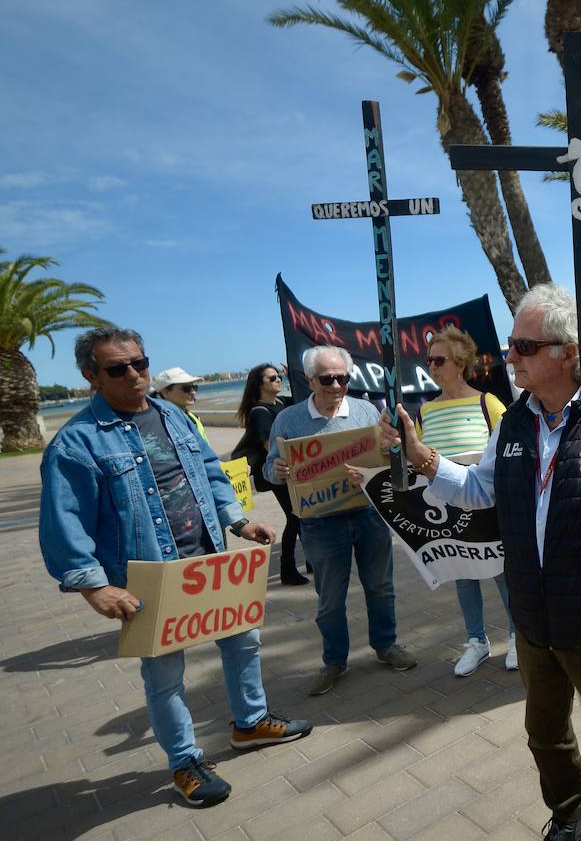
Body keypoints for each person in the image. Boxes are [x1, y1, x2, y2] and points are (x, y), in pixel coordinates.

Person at [382, 284, 581, 841]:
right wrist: (423, 457)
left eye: (524, 346)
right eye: (511, 345)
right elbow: (479, 491)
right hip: (534, 618)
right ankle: (569, 821)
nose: (508, 356)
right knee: (544, 734)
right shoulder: (513, 420)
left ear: (567, 352)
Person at [40, 328, 312, 807]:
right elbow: (65, 523)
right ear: (91, 376)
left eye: (140, 363)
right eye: (117, 368)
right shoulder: (76, 443)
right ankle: (184, 762)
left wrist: (238, 521)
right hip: (151, 574)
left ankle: (250, 724)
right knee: (164, 674)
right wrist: (94, 588)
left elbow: (209, 471)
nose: (134, 374)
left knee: (243, 642)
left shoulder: (173, 414)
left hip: (208, 560)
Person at [264, 345, 416, 696]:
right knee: (330, 597)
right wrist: (278, 469)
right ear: (309, 380)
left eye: (342, 378)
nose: (336, 386)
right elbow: (268, 469)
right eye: (327, 379)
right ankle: (334, 660)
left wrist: (388, 451)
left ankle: (386, 645)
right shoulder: (288, 420)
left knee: (380, 586)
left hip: (369, 514)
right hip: (320, 522)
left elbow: (390, 458)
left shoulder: (366, 411)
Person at [419, 325, 515, 675]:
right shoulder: (425, 412)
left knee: (502, 572)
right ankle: (476, 641)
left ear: (460, 364)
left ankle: (517, 636)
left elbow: (509, 452)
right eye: (429, 361)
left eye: (439, 360)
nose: (432, 367)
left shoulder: (488, 403)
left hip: (488, 506)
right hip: (447, 509)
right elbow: (419, 460)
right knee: (462, 574)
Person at [234, 364, 307, 586]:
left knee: (302, 514)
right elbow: (270, 448)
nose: (278, 380)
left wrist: (295, 374)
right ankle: (287, 569)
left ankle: (310, 561)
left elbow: (305, 399)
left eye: (279, 376)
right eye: (273, 378)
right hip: (277, 473)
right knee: (295, 516)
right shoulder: (259, 412)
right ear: (259, 384)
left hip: (291, 470)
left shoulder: (281, 403)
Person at [151, 367, 207, 439]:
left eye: (194, 387)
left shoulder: (192, 417)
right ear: (165, 392)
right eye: (186, 388)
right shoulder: (162, 425)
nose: (193, 392)